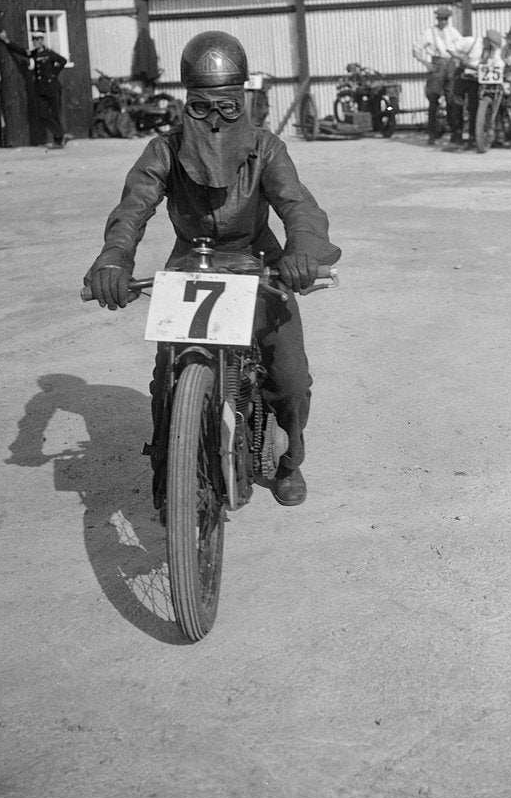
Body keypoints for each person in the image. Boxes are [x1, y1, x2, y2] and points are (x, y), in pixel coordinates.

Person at [84, 30, 341, 508]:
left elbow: (298, 203)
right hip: (190, 264)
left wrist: (302, 250)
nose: (217, 121)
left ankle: (290, 462)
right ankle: (171, 460)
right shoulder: (163, 150)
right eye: (202, 108)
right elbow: (134, 207)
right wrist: (114, 258)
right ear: (186, 103)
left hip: (260, 261)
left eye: (229, 107)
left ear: (244, 101)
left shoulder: (267, 148)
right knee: (167, 375)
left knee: (290, 378)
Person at [0, 28, 70, 149]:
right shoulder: (34, 53)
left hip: (52, 88)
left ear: (42, 40)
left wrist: (53, 74)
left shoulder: (49, 53)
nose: (36, 42)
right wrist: (6, 41)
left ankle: (59, 140)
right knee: (42, 113)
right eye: (34, 40)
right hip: (40, 89)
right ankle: (61, 133)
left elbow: (63, 60)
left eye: (38, 40)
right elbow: (20, 51)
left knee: (56, 114)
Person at [412, 5, 463, 147]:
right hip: (436, 65)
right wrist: (426, 63)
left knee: (452, 101)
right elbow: (416, 49)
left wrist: (458, 63)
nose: (443, 22)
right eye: (441, 19)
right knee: (433, 101)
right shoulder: (428, 32)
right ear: (437, 19)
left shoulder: (454, 33)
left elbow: (461, 48)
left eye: (445, 19)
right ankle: (432, 135)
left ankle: (455, 134)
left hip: (451, 65)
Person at [451, 29, 504, 150]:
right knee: (457, 104)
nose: (491, 47)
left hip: (477, 79)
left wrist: (498, 66)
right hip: (463, 76)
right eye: (491, 44)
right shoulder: (472, 41)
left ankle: (473, 137)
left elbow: (499, 62)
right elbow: (451, 48)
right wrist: (460, 57)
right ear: (486, 40)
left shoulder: (493, 51)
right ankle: (457, 135)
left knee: (474, 107)